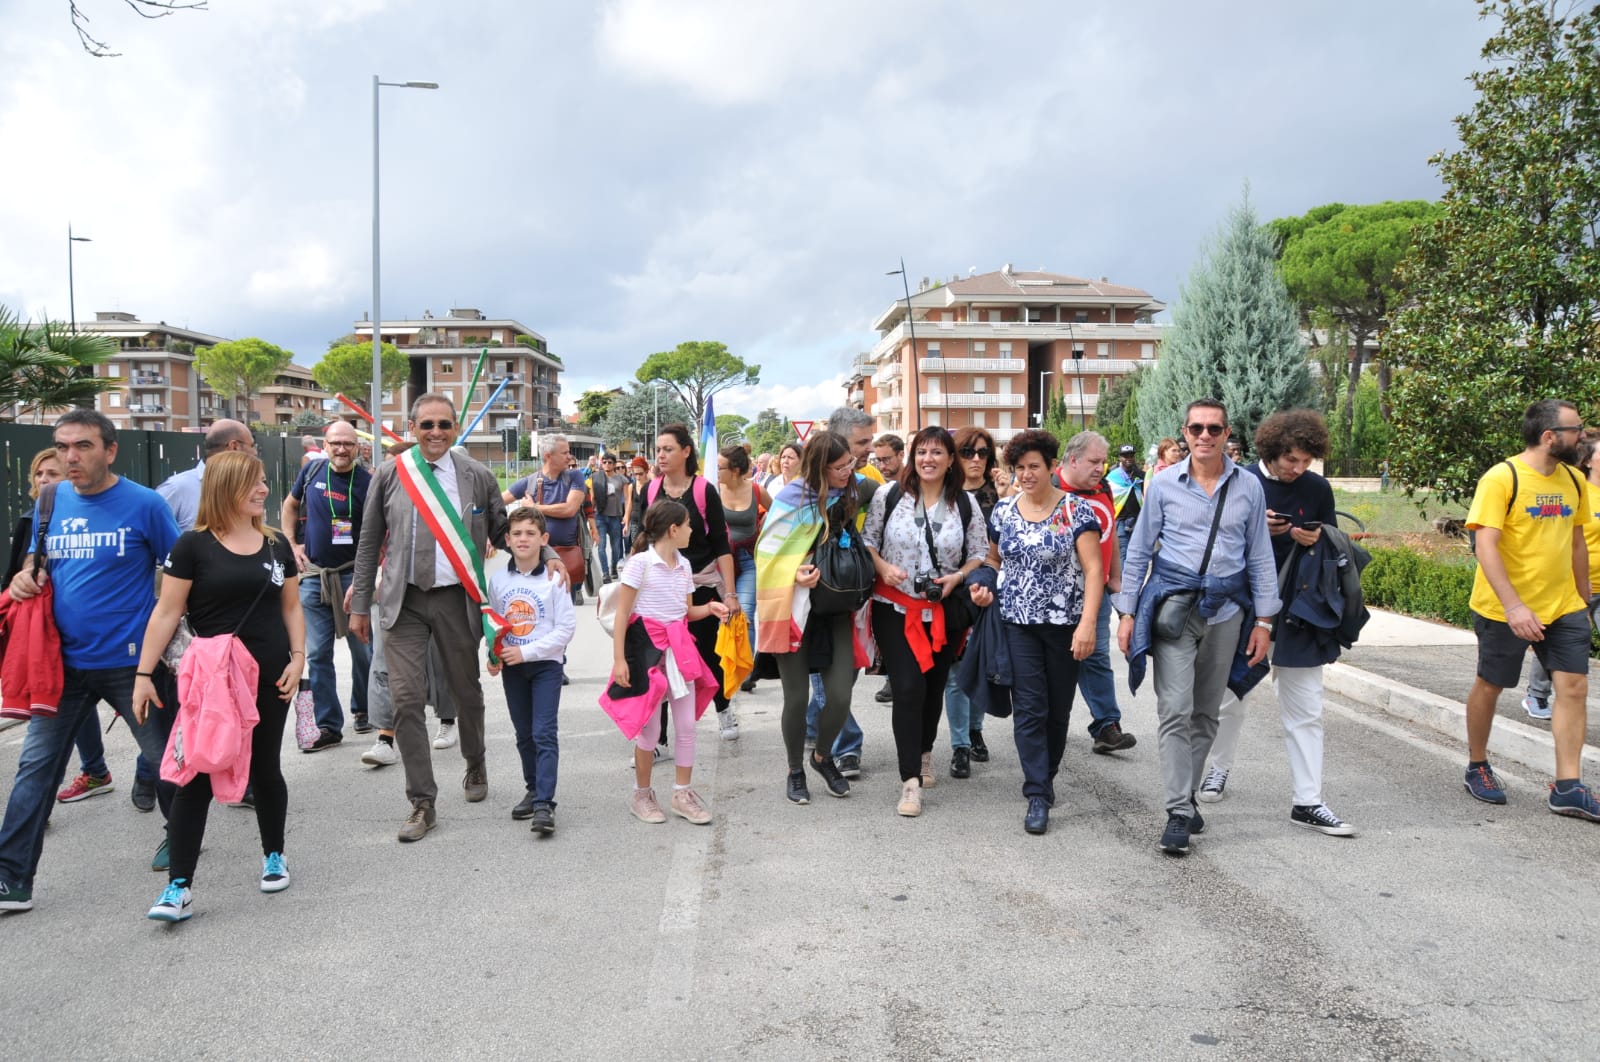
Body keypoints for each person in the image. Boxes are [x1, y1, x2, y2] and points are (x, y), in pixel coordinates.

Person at [0, 410, 181, 914]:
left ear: (110, 450)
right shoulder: (50, 500)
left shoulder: (145, 505)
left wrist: (164, 647)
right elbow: (35, 568)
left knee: (168, 763)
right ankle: (11, 879)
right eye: (62, 447)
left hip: (132, 665)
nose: (70, 457)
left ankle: (180, 841)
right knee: (34, 770)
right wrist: (21, 581)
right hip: (63, 668)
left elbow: (177, 573)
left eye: (82, 446)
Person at [132, 451, 306, 921]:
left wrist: (297, 659)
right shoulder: (192, 546)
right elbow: (166, 613)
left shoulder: (276, 545)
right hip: (212, 683)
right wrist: (143, 675)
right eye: (254, 483)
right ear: (226, 487)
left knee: (265, 767)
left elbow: (291, 608)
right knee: (198, 775)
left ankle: (274, 854)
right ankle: (179, 888)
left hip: (270, 675)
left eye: (264, 482)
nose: (263, 491)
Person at [1115, 399, 1279, 857]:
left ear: (1227, 434)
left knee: (1206, 712)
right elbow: (1140, 552)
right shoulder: (1164, 484)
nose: (1204, 436)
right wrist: (1127, 613)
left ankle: (1185, 796)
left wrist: (1264, 621)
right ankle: (1177, 810)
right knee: (1174, 710)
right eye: (1196, 428)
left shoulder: (1248, 487)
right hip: (1174, 608)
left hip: (1226, 611)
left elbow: (1261, 557)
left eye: (1214, 429)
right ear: (1184, 433)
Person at [349, 393, 511, 843]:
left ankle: (474, 759)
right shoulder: (391, 473)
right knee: (405, 699)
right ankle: (422, 802)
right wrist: (361, 603)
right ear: (412, 427)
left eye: (444, 424)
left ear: (456, 428)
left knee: (465, 691)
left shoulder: (477, 476)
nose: (435, 432)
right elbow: (368, 544)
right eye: (427, 425)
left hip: (456, 601)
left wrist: (549, 552)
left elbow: (504, 529)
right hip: (403, 602)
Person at [1195, 410, 1357, 837]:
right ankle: (1218, 769)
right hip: (1247, 606)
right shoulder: (1241, 481)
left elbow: (1331, 540)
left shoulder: (1317, 488)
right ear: (1271, 450)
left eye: (1305, 462)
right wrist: (1257, 529)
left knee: (1306, 709)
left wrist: (1316, 536)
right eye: (1291, 460)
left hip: (1302, 608)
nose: (1298, 469)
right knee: (1231, 700)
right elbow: (1214, 544)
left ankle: (1308, 800)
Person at [1460, 399, 1598, 819]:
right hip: (1505, 608)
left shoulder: (1573, 480)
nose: (1582, 436)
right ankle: (1477, 765)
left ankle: (1568, 785)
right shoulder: (1503, 478)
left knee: (1573, 686)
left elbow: (1575, 542)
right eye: (1575, 429)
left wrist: (1583, 598)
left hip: (1563, 606)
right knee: (1492, 684)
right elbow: (1485, 545)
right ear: (1549, 435)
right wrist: (1515, 606)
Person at [864, 426, 989, 818]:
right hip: (895, 607)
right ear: (912, 457)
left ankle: (925, 752)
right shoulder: (889, 495)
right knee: (908, 687)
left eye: (937, 452)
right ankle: (910, 782)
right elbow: (868, 539)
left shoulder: (965, 504)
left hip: (942, 612)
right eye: (922, 452)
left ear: (951, 459)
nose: (928, 459)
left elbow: (979, 552)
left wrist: (959, 576)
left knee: (934, 689)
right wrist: (882, 567)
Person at [981, 429, 1101, 834]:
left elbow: (1094, 570)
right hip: (1017, 624)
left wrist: (1087, 624)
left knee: (1058, 709)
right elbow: (994, 558)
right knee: (1030, 708)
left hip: (1065, 625)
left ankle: (1045, 776)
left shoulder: (1077, 512)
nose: (1027, 475)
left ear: (1053, 466)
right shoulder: (1003, 511)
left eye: (1034, 466)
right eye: (1020, 468)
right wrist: (984, 581)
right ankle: (1036, 791)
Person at [756, 432, 862, 805]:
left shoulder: (851, 492)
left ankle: (821, 757)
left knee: (841, 696)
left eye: (850, 463)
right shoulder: (791, 497)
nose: (848, 471)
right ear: (820, 467)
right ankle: (794, 770)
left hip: (834, 608)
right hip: (794, 609)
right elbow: (765, 553)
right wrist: (793, 575)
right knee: (797, 697)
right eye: (839, 466)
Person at [607, 501, 728, 824]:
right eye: (688, 525)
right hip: (647, 654)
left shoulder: (684, 565)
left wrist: (711, 608)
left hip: (679, 652)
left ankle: (681, 793)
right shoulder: (640, 564)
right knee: (650, 731)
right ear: (673, 530)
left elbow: (686, 612)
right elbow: (622, 613)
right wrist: (620, 659)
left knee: (687, 726)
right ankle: (641, 794)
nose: (692, 530)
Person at [282, 419, 373, 749]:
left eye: (348, 443)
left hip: (352, 577)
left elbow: (380, 535)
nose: (341, 449)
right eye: (336, 442)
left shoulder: (367, 482)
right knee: (318, 654)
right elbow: (290, 506)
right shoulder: (311, 473)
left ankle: (363, 709)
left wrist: (365, 579)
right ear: (326, 442)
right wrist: (291, 543)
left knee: (362, 650)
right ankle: (328, 725)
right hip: (313, 577)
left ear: (357, 447)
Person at [648, 424, 742, 740]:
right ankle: (657, 737)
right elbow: (642, 539)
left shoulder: (704, 491)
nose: (661, 455)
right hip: (660, 589)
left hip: (700, 586)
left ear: (686, 451)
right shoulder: (651, 490)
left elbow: (721, 545)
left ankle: (724, 708)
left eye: (668, 449)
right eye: (658, 449)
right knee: (656, 660)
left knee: (706, 656)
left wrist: (729, 593)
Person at [487, 507, 575, 835]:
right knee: (523, 734)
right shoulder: (499, 580)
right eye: (517, 534)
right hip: (513, 668)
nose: (523, 539)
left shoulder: (554, 578)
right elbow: (495, 624)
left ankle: (545, 805)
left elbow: (565, 629)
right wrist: (494, 655)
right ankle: (533, 788)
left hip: (545, 667)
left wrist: (526, 652)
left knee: (543, 733)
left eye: (530, 533)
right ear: (507, 540)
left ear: (544, 539)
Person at [1053, 431, 1138, 755]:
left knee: (1097, 657)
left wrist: (1115, 574)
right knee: (1053, 661)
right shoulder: (1051, 488)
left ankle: (1106, 726)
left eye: (1103, 461)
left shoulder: (1101, 488)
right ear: (1072, 459)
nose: (1101, 468)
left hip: (1097, 591)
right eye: (1094, 461)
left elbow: (1110, 531)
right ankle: (1043, 727)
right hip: (1056, 596)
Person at [1521, 434, 1600, 720]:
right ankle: (1537, 695)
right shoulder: (1577, 490)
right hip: (1569, 586)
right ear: (1589, 461)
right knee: (1554, 642)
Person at [942, 426, 1000, 773]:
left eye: (982, 453)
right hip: (954, 591)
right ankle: (960, 744)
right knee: (956, 673)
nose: (976, 459)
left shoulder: (1002, 495)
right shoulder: (945, 496)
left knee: (986, 666)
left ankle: (976, 730)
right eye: (968, 452)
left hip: (994, 591)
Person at [506, 434, 589, 606]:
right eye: (564, 453)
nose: (569, 457)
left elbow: (570, 509)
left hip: (567, 560)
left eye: (569, 452)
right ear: (548, 456)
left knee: (564, 616)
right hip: (535, 561)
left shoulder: (575, 477)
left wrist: (535, 508)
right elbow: (497, 501)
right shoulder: (529, 482)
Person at [717, 445, 771, 694]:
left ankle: (745, 671)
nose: (716, 472)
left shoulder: (758, 490)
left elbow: (782, 514)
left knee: (745, 613)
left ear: (736, 470)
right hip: (718, 561)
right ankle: (721, 665)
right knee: (720, 614)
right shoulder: (713, 490)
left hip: (748, 559)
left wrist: (766, 531)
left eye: (720, 467)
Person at [155, 419, 257, 535]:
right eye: (252, 445)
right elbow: (150, 534)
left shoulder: (251, 488)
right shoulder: (177, 488)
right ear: (234, 446)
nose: (255, 452)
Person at [591, 453, 630, 584]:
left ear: (614, 464)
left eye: (609, 462)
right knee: (601, 546)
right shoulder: (596, 477)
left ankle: (614, 567)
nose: (607, 464)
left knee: (616, 547)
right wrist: (590, 519)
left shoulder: (621, 479)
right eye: (604, 462)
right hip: (600, 516)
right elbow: (592, 498)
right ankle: (605, 573)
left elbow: (628, 499)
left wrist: (626, 515)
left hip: (615, 516)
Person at [1107, 444, 1145, 561]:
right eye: (1125, 456)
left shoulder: (1140, 475)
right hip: (1121, 520)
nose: (1129, 458)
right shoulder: (1112, 476)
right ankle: (1123, 579)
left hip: (1138, 519)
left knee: (1137, 555)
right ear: (1120, 457)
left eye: (1131, 455)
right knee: (1123, 554)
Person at [625, 456, 651, 550]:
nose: (638, 477)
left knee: (649, 548)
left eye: (641, 474)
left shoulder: (652, 486)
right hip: (635, 521)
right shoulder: (632, 486)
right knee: (636, 547)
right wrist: (627, 523)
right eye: (635, 474)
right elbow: (629, 505)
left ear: (646, 472)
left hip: (648, 522)